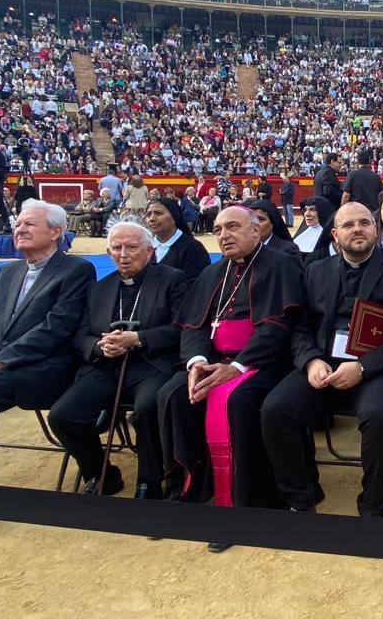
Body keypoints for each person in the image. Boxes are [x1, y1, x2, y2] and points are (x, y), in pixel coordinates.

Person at [261, 203, 383, 518]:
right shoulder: (316, 270)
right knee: (276, 409)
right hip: (324, 365)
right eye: (348, 225)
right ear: (335, 235)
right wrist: (310, 361)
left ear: (374, 228)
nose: (358, 229)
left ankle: (373, 506)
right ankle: (302, 495)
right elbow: (301, 328)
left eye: (364, 222)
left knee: (380, 418)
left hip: (379, 368)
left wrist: (364, 367)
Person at [157, 206, 303, 552]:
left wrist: (236, 367)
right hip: (212, 361)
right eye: (220, 229)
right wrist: (195, 362)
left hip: (263, 363)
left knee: (236, 401)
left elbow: (277, 328)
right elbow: (193, 326)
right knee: (174, 394)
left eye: (234, 227)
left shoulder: (281, 265)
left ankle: (242, 501)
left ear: (256, 231)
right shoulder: (212, 273)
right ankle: (189, 486)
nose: (224, 234)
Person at [0, 200, 95, 544]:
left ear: (56, 232)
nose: (19, 229)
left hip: (45, 369)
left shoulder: (76, 270)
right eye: (18, 224)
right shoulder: (7, 271)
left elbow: (55, 329)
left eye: (30, 224)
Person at [48, 223, 186, 498]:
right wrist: (99, 346)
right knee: (63, 415)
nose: (124, 254)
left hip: (152, 365)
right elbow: (80, 334)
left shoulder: (173, 280)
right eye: (117, 248)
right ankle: (101, 474)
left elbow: (182, 327)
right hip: (106, 367)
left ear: (148, 251)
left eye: (132, 247)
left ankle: (149, 479)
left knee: (147, 409)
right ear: (109, 252)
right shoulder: (99, 288)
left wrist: (138, 338)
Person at [145, 197, 212, 290]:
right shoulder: (144, 248)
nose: (151, 219)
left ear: (174, 217)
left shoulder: (193, 249)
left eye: (158, 213)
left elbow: (197, 288)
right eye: (148, 214)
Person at [248, 199, 304, 265]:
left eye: (260, 220)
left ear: (273, 223)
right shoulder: (243, 247)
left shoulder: (288, 251)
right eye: (251, 220)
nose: (255, 224)